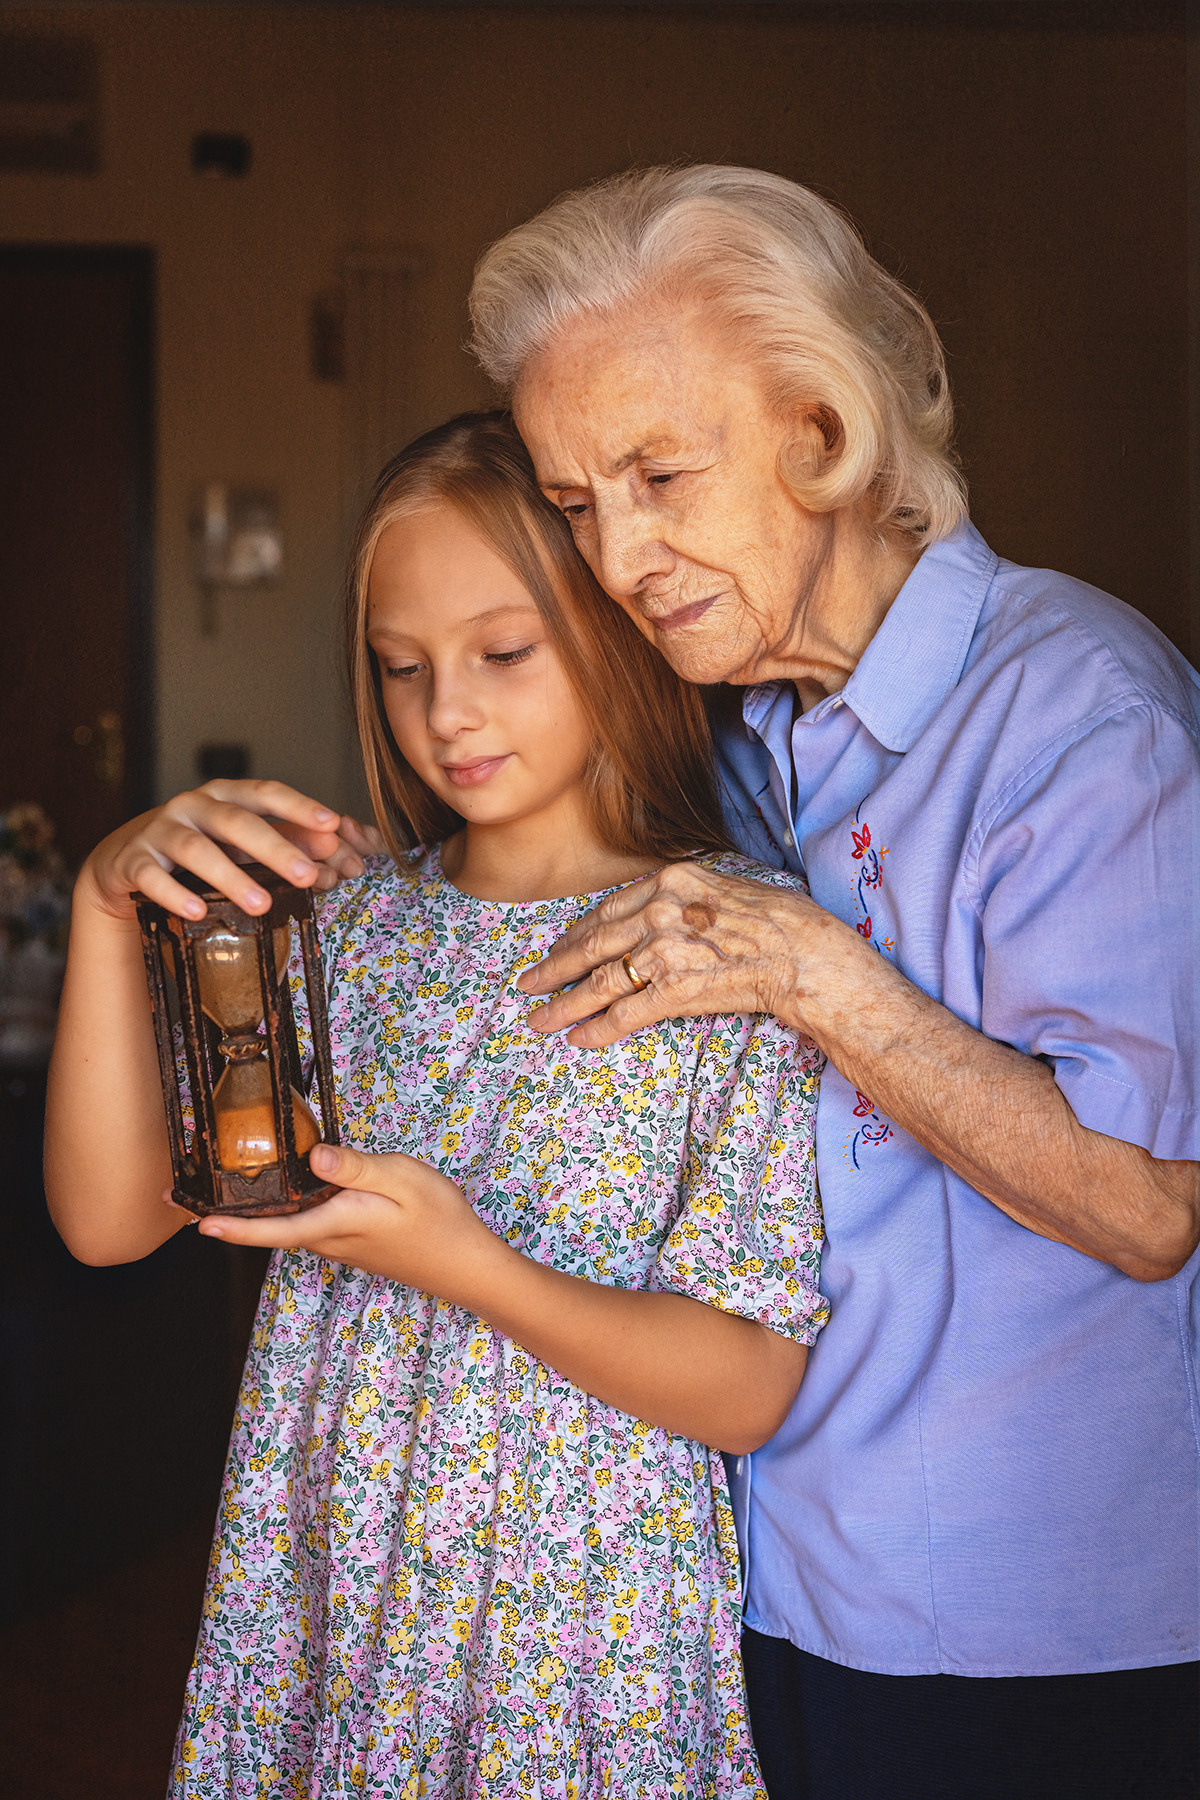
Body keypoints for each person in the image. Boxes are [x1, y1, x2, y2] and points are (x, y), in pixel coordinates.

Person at [466, 166, 1200, 1800]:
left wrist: (815, 973)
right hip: (779, 1580)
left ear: (825, 431)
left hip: (1041, 1623)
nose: (620, 554)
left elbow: (1152, 1203)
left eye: (661, 474)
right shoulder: (732, 737)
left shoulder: (1086, 716)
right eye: (576, 503)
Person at [44, 412, 827, 1797]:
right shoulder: (343, 931)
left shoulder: (730, 946)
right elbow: (108, 1224)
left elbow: (750, 1386)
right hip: (337, 1583)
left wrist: (467, 1264)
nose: (445, 711)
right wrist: (111, 906)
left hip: (573, 1620)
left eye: (502, 653)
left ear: (622, 628)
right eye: (401, 667)